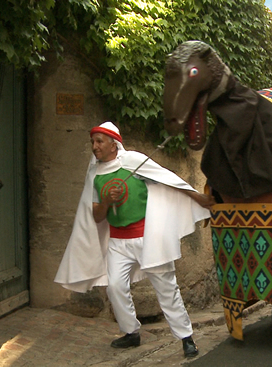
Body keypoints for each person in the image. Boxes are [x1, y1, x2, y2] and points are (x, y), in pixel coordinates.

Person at [54, 121, 214, 358]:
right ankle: (131, 332)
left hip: (147, 237)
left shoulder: (133, 162)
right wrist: (107, 200)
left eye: (99, 141)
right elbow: (97, 216)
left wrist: (197, 197)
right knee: (116, 287)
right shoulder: (95, 173)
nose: (94, 147)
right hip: (118, 243)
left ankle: (186, 337)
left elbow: (168, 180)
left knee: (166, 288)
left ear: (113, 143)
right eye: (92, 142)